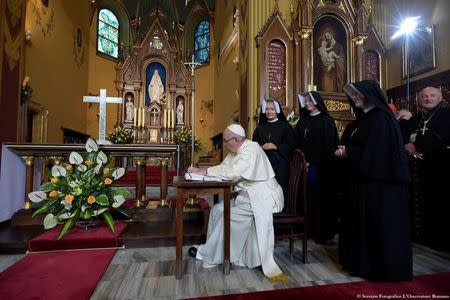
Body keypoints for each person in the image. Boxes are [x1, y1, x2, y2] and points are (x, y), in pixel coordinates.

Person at [187, 124, 287, 281]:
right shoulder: (236, 150)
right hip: (247, 196)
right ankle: (211, 250)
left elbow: (233, 173)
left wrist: (203, 172)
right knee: (217, 210)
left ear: (237, 139)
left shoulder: (251, 150)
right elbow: (223, 168)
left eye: (227, 141)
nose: (225, 145)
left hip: (262, 196)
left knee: (228, 215)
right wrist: (204, 171)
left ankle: (214, 256)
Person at [335, 80, 412, 281]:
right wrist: (345, 150)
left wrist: (348, 151)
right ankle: (360, 265)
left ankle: (377, 269)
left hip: (380, 185)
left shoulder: (381, 118)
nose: (355, 99)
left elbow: (377, 153)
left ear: (370, 95)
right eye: (353, 96)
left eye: (358, 95)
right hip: (362, 181)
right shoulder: (364, 119)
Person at [403, 86, 450, 251]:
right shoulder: (415, 118)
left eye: (432, 96)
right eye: (424, 96)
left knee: (438, 202)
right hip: (416, 168)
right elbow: (402, 134)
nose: (428, 98)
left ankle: (439, 240)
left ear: (440, 98)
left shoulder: (446, 115)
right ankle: (419, 236)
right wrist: (407, 144)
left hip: (440, 167)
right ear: (419, 99)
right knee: (418, 201)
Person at [294, 91, 339, 244]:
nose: (307, 104)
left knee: (321, 199)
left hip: (322, 167)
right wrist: (302, 161)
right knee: (307, 198)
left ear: (316, 102)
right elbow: (297, 143)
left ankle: (322, 232)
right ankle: (307, 230)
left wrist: (311, 161)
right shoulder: (302, 122)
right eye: (305, 101)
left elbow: (329, 146)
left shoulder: (327, 121)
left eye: (309, 101)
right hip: (304, 167)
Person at [252, 99, 295, 199]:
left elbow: (292, 145)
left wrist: (276, 147)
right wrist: (261, 147)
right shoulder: (260, 128)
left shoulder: (285, 127)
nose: (269, 111)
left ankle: (280, 208)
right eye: (267, 109)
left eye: (272, 109)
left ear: (277, 111)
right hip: (263, 164)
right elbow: (253, 146)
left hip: (280, 164)